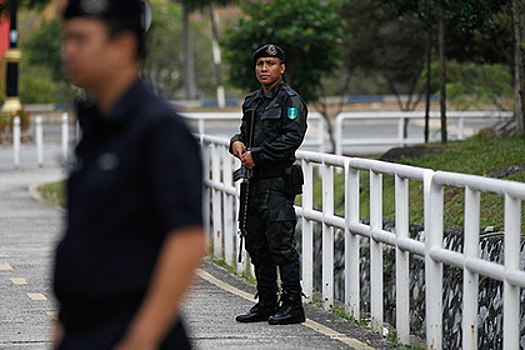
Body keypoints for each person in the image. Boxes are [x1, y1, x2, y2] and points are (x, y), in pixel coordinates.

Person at [52, 0, 207, 349]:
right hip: (83, 327)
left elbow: (187, 239)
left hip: (130, 330)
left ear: (123, 46)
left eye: (80, 39)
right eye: (67, 39)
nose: (68, 51)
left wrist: (142, 338)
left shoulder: (159, 128)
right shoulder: (97, 125)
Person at [230, 44, 308, 325]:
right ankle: (266, 302)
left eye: (270, 63)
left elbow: (292, 138)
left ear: (282, 68)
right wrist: (236, 143)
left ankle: (292, 305)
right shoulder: (252, 101)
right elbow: (243, 132)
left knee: (282, 246)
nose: (264, 68)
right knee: (256, 243)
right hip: (253, 185)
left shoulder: (290, 101)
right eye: (260, 63)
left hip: (276, 183)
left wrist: (257, 155)